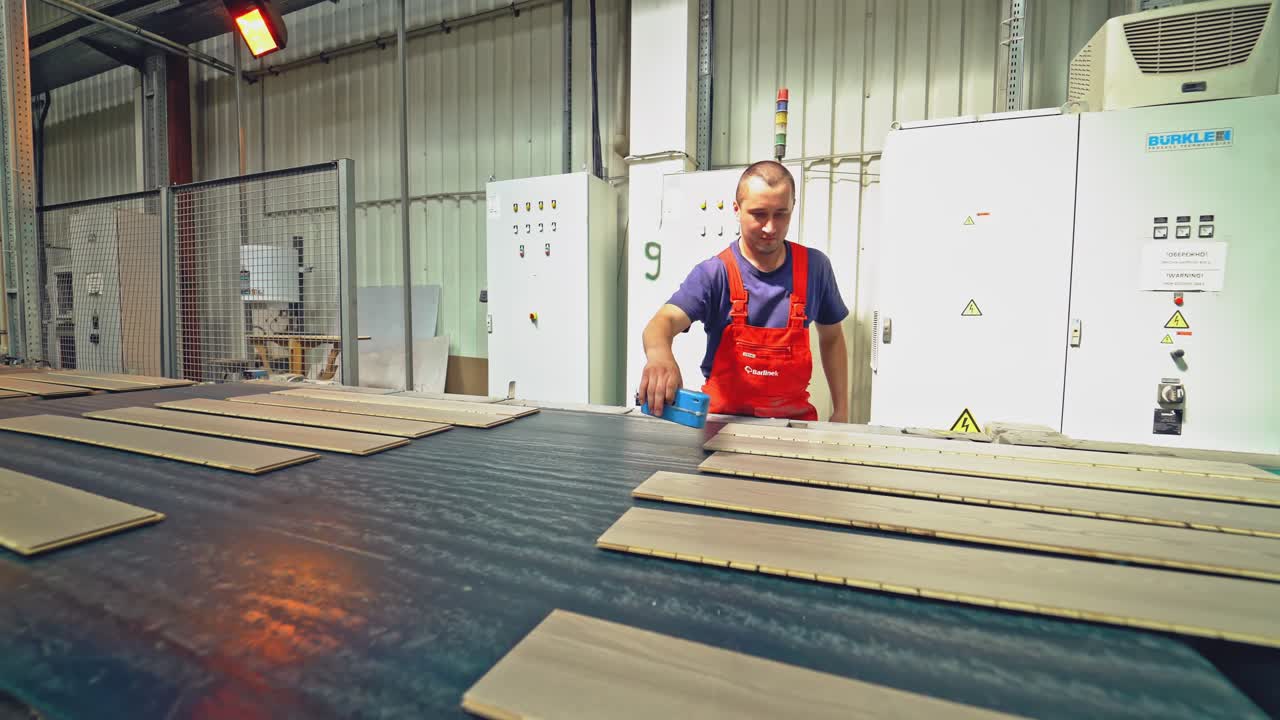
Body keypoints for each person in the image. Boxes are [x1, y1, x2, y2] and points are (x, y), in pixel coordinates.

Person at [639, 160, 850, 422]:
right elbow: (662, 322)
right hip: (721, 427)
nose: (771, 228)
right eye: (759, 214)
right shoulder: (715, 273)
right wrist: (660, 356)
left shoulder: (816, 268)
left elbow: (832, 338)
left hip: (793, 427)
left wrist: (841, 409)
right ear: (737, 210)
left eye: (781, 214)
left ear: (793, 208)